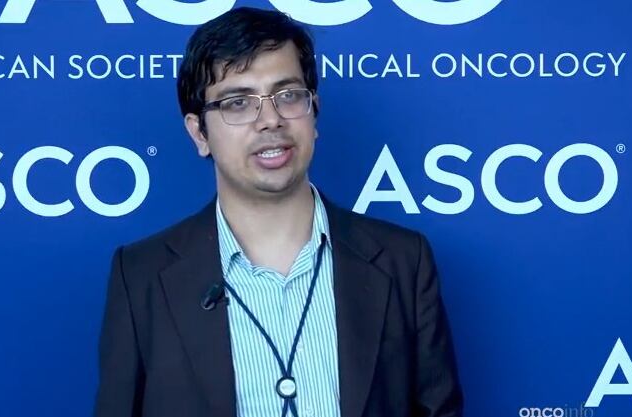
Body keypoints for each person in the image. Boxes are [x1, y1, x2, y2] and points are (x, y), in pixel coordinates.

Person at [94, 7, 463, 417]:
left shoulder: (402, 261)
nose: (270, 120)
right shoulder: (141, 275)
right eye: (237, 102)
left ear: (314, 112)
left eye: (288, 96)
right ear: (199, 133)